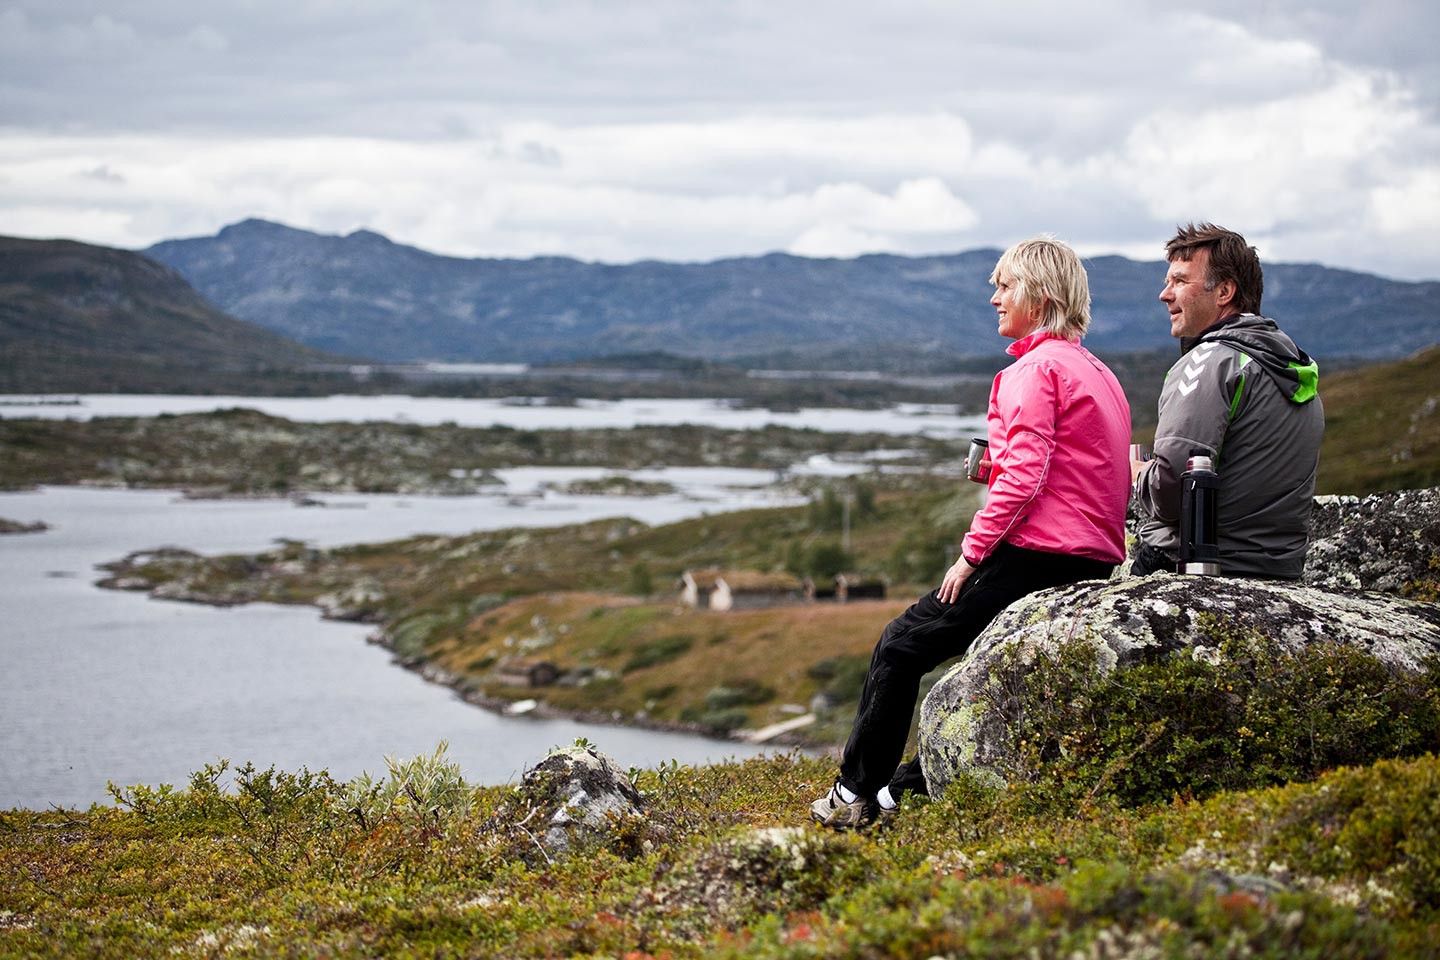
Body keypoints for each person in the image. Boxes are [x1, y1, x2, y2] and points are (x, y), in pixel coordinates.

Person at [810, 237, 1132, 829]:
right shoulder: (1097, 371)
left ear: (1040, 294)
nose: (994, 298)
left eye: (1005, 285)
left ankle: (855, 794)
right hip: (1090, 560)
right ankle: (897, 792)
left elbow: (1027, 478)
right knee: (965, 667)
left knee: (901, 644)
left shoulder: (1032, 371)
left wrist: (970, 555)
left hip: (1036, 554)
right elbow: (1075, 469)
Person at [1130, 223, 1324, 579]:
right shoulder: (1291, 367)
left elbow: (1169, 492)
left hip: (1198, 569)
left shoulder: (1211, 362)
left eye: (1180, 281)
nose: (1165, 294)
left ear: (1224, 291)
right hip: (1279, 574)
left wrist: (1140, 474)